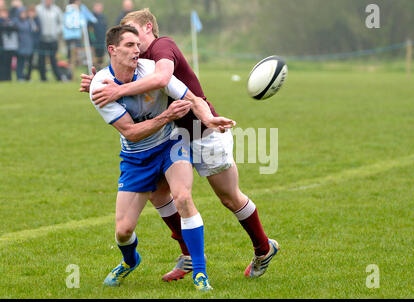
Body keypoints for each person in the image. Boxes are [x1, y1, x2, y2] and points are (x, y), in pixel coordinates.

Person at [80, 8, 279, 282]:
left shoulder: (163, 47)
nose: (135, 46)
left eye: (135, 35)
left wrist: (118, 90)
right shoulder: (140, 60)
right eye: (129, 42)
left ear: (148, 27)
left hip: (202, 131)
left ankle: (263, 248)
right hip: (172, 137)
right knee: (161, 196)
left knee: (229, 197)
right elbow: (131, 79)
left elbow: (161, 79)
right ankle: (189, 255)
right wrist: (102, 81)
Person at [90, 25, 235, 291]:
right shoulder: (100, 86)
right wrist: (166, 116)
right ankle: (130, 261)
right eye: (130, 46)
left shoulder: (151, 70)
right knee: (123, 232)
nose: (138, 50)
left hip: (171, 145)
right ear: (113, 50)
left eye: (138, 45)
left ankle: (200, 273)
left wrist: (209, 118)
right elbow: (131, 133)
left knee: (183, 197)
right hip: (136, 157)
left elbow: (192, 98)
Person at [63, 0, 97, 77]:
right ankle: (70, 74)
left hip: (73, 36)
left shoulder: (81, 8)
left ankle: (74, 73)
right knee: (71, 57)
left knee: (76, 56)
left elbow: (92, 19)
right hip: (72, 36)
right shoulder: (73, 10)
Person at [36, 0, 63, 82]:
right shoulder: (38, 9)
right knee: (41, 60)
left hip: (53, 39)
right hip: (42, 39)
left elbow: (61, 22)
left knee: (53, 60)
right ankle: (43, 78)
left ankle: (58, 77)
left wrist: (56, 31)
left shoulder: (57, 10)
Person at [12, 7, 33, 81]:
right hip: (20, 44)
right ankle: (19, 76)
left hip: (27, 44)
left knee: (25, 62)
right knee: (20, 61)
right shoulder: (15, 21)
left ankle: (24, 76)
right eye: (22, 13)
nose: (23, 15)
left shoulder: (28, 22)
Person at [0, 8, 18, 82]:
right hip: (1, 46)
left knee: (8, 63)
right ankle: (2, 78)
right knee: (2, 63)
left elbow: (15, 28)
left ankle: (8, 78)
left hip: (8, 46)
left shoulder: (10, 21)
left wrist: (7, 27)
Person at [89, 2, 107, 69]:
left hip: (102, 41)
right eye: (97, 7)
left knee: (101, 57)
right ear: (94, 8)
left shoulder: (103, 17)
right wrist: (92, 40)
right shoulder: (91, 18)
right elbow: (90, 30)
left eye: (100, 8)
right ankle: (93, 69)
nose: (99, 9)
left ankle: (100, 69)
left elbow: (105, 28)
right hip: (94, 42)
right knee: (94, 57)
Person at [25, 5, 41, 81]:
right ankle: (24, 76)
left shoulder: (37, 20)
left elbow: (38, 31)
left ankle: (29, 76)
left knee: (32, 61)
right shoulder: (26, 20)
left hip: (34, 44)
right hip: (26, 44)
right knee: (26, 61)